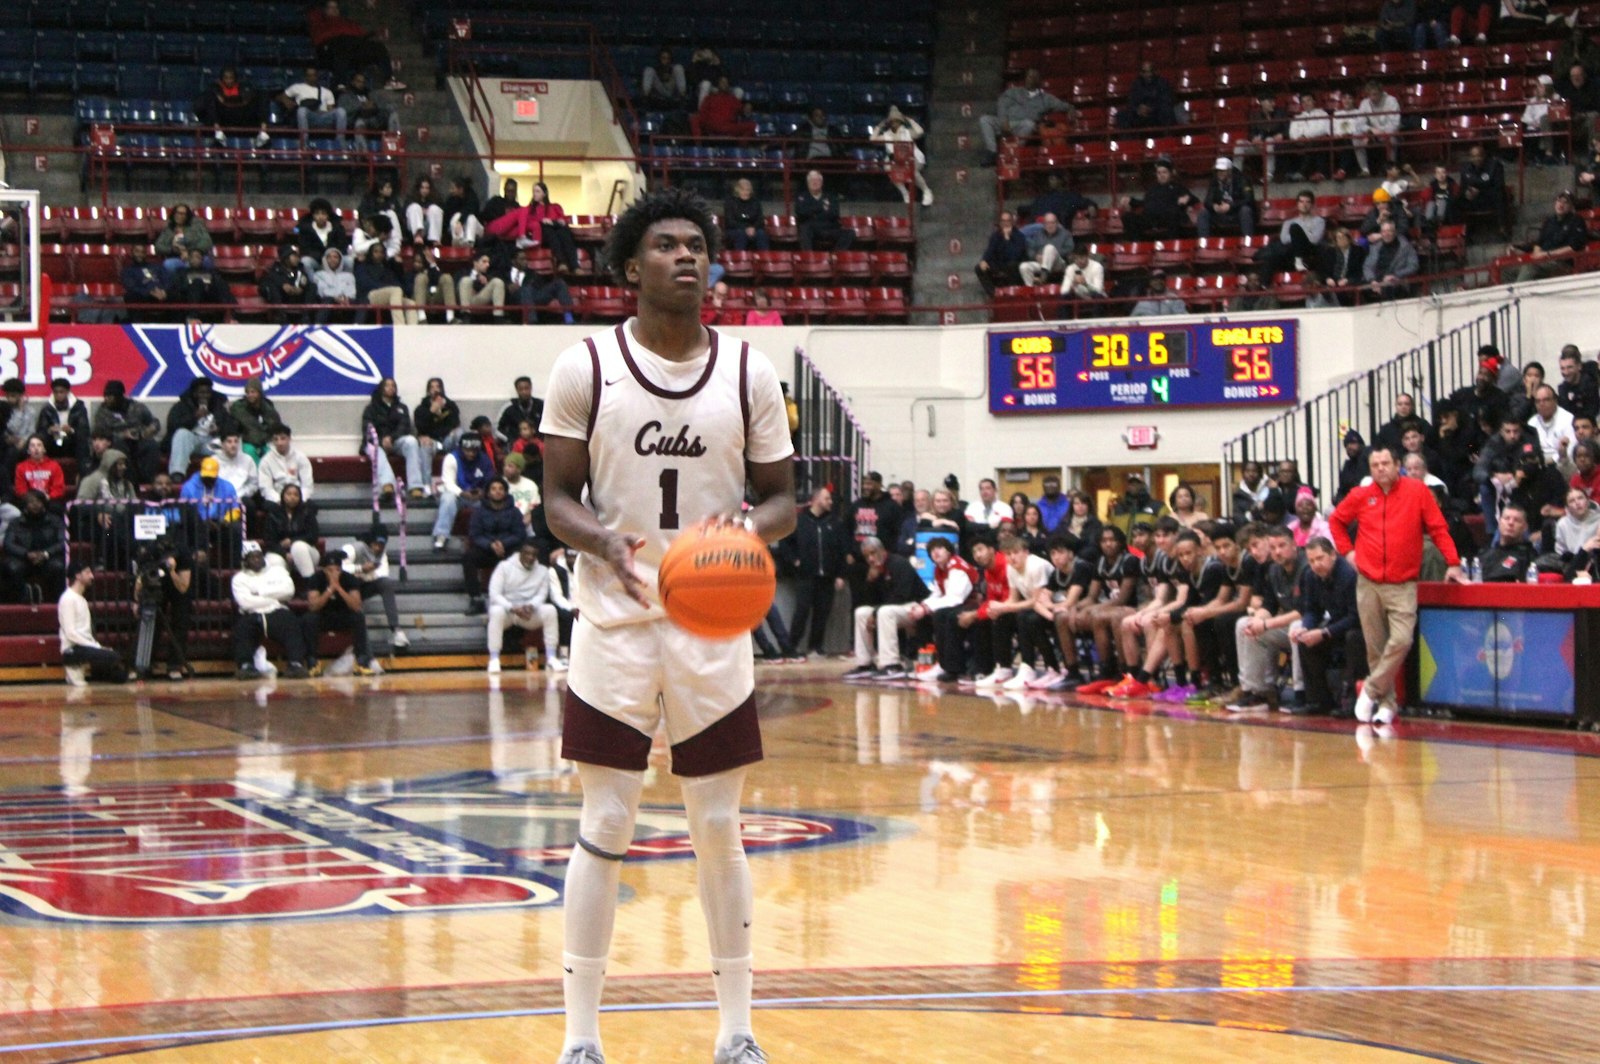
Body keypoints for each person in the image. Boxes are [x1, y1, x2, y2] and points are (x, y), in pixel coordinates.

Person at [537, 187, 796, 1064]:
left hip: (713, 625)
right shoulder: (586, 367)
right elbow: (556, 501)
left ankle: (737, 1030)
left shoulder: (750, 370)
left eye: (698, 244)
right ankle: (581, 1038)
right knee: (605, 820)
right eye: (667, 245)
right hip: (613, 623)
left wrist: (741, 535)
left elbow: (784, 501)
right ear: (628, 267)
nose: (687, 257)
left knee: (717, 826)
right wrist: (604, 541)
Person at [1329, 445, 1464, 726]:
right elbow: (1336, 521)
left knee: (1402, 640)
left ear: (1397, 464)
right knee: (1375, 648)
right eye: (1375, 464)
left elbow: (1438, 528)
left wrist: (1453, 561)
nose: (1380, 469)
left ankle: (1369, 690)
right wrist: (1348, 552)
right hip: (1368, 582)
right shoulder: (1361, 495)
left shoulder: (1417, 492)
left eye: (1385, 463)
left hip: (1403, 582)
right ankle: (1387, 705)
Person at [1225, 524, 1307, 713]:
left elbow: (1304, 611)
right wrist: (1256, 621)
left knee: (1297, 625)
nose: (1277, 552)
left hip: (1312, 624)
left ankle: (1300, 694)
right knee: (1243, 624)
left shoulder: (1305, 567)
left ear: (1294, 544)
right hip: (1285, 624)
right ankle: (1256, 693)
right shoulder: (1274, 570)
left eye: (1281, 546)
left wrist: (1265, 623)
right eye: (1273, 548)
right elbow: (1269, 606)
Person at [1287, 538, 1364, 716]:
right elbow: (1312, 609)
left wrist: (1324, 632)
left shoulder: (1348, 576)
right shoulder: (1309, 575)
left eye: (1320, 558)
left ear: (1333, 555)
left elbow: (1355, 616)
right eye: (1312, 560)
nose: (1316, 564)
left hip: (1357, 627)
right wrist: (1305, 628)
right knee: (1305, 641)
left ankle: (1351, 701)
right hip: (1335, 625)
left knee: (1353, 638)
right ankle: (1318, 700)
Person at [779, 486, 847, 660]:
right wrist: (795, 561)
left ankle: (815, 647)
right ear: (816, 500)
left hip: (828, 576)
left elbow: (841, 551)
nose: (830, 502)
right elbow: (784, 545)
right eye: (827, 498)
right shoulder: (799, 521)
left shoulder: (834, 523)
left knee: (822, 614)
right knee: (801, 612)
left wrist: (840, 574)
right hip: (806, 576)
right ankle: (791, 648)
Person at [231, 542, 309, 680]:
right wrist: (273, 599)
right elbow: (245, 602)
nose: (257, 560)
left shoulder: (277, 571)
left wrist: (260, 592)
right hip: (252, 614)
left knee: (291, 623)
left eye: (259, 556)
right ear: (245, 560)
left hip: (277, 611)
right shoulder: (239, 579)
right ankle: (245, 665)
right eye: (252, 557)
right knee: (242, 628)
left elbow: (288, 591)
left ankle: (295, 663)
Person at [486, 540, 560, 674]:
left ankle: (551, 657)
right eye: (527, 554)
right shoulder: (504, 567)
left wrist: (531, 606)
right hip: (508, 612)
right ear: (520, 553)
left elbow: (542, 594)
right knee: (495, 611)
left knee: (550, 610)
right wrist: (512, 607)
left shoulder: (543, 571)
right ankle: (494, 659)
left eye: (533, 555)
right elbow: (494, 594)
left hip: (527, 614)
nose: (530, 557)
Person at [304, 549, 377, 677]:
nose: (334, 573)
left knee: (358, 617)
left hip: (343, 615)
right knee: (309, 618)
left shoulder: (349, 579)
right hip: (324, 616)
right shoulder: (316, 579)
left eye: (337, 570)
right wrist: (329, 590)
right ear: (324, 570)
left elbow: (356, 606)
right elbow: (313, 606)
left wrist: (338, 588)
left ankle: (361, 662)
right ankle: (313, 662)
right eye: (330, 570)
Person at [978, 68, 1074, 166]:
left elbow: (1064, 106)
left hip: (1022, 126)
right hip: (1006, 123)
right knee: (985, 119)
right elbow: (1002, 104)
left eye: (1033, 77)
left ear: (1038, 80)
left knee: (1030, 124)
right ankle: (992, 152)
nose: (1029, 79)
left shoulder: (1046, 98)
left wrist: (1070, 109)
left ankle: (1013, 152)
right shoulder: (1013, 92)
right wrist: (1004, 120)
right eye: (1028, 76)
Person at [308, 0, 403, 90]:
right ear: (324, 9)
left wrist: (376, 33)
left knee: (378, 47)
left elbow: (362, 35)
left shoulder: (347, 22)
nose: (334, 9)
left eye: (336, 7)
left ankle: (389, 80)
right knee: (342, 46)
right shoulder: (320, 21)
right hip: (330, 48)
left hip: (353, 48)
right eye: (330, 7)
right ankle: (341, 83)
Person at [58, 563, 127, 685]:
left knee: (120, 673)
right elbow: (70, 633)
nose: (92, 576)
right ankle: (74, 667)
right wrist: (95, 647)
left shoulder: (81, 599)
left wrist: (96, 646)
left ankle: (90, 670)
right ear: (78, 576)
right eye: (88, 573)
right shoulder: (68, 599)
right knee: (112, 657)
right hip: (72, 649)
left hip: (85, 646)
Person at [361, 377, 427, 497]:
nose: (391, 388)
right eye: (387, 385)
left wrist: (391, 438)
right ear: (381, 388)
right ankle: (388, 484)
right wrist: (381, 440)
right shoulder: (371, 409)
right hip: (376, 442)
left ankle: (415, 485)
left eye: (393, 385)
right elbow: (368, 429)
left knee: (411, 441)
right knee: (375, 450)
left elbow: (404, 426)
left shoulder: (402, 407)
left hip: (395, 441)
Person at [433, 433, 494, 551]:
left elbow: (490, 480)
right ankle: (441, 536)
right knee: (447, 498)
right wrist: (462, 493)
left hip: (478, 497)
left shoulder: (484, 460)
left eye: (474, 451)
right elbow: (448, 483)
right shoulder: (451, 458)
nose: (471, 454)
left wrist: (483, 492)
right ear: (461, 448)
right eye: (467, 450)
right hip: (457, 495)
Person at [2, 490, 65, 602]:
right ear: (25, 505)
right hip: (23, 559)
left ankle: (57, 602)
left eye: (38, 501)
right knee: (12, 567)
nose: (35, 505)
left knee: (58, 567)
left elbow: (62, 542)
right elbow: (8, 544)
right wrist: (26, 554)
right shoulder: (16, 523)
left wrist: (46, 554)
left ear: (43, 503)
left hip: (48, 558)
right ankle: (20, 601)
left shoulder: (55, 521)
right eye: (31, 502)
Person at [1513, 190, 1589, 283]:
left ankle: (1517, 295)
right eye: (1559, 201)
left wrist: (1547, 255)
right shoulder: (1549, 221)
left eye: (1565, 202)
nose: (1561, 205)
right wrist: (1536, 255)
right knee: (1508, 269)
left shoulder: (1576, 221)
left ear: (1571, 207)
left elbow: (1574, 247)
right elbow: (1539, 243)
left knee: (1530, 268)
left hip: (1561, 262)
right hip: (1544, 260)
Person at [871, 106, 933, 207]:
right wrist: (880, 126)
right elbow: (873, 139)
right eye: (892, 121)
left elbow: (920, 131)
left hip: (914, 158)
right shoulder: (887, 135)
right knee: (888, 168)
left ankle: (926, 191)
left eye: (897, 121)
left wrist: (909, 119)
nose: (894, 123)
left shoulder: (907, 132)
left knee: (912, 170)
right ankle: (905, 193)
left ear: (900, 122)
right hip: (897, 161)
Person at [194, 66, 271, 147]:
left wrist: (226, 100)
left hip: (241, 116)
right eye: (226, 78)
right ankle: (218, 133)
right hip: (223, 118)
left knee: (263, 95)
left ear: (235, 79)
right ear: (222, 79)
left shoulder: (243, 87)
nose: (229, 80)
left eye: (231, 78)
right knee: (209, 98)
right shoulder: (214, 88)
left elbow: (246, 100)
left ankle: (263, 133)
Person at [1127, 160, 1197, 241]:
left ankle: (1172, 246)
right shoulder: (1152, 189)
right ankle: (1137, 248)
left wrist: (1187, 198)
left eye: (1164, 172)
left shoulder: (1178, 187)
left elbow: (1193, 199)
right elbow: (1145, 203)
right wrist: (1131, 201)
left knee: (1173, 215)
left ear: (1170, 174)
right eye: (1159, 173)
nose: (1161, 175)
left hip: (1168, 218)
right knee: (1128, 217)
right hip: (1151, 218)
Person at [263, 481, 319, 579]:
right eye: (289, 494)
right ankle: (282, 588)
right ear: (283, 496)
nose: (292, 497)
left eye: (296, 495)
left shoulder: (307, 512)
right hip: (280, 552)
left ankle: (310, 584)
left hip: (307, 554)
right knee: (274, 561)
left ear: (300, 497)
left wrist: (292, 541)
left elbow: (313, 536)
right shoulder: (273, 514)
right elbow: (269, 541)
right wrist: (284, 554)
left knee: (298, 547)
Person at [281, 67, 348, 146]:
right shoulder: (297, 87)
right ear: (305, 77)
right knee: (301, 110)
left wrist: (326, 111)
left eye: (314, 75)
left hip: (323, 117)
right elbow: (282, 96)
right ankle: (304, 143)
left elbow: (330, 108)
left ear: (317, 76)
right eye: (309, 75)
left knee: (341, 111)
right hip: (308, 117)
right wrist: (288, 102)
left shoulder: (327, 91)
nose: (312, 77)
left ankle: (340, 143)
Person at [355, 243, 417, 325]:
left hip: (390, 295)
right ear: (370, 253)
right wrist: (385, 287)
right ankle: (399, 326)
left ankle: (412, 330)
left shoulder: (387, 269)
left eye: (381, 252)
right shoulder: (363, 266)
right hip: (369, 296)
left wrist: (399, 267)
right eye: (376, 252)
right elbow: (365, 283)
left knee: (410, 303)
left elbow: (398, 284)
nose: (379, 255)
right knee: (396, 290)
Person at [1234, 90, 1288, 181]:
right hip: (1259, 144)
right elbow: (1251, 133)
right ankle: (1235, 175)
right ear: (1262, 102)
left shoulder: (1281, 113)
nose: (1273, 104)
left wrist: (1282, 135)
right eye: (1270, 102)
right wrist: (1254, 139)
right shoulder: (1255, 115)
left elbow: (1287, 129)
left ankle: (1268, 175)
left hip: (1275, 144)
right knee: (1239, 143)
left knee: (1269, 141)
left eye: (1273, 101)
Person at [1477, 503, 1539, 581]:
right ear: (1499, 522)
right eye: (1506, 518)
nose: (1510, 523)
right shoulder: (1485, 553)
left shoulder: (1529, 557)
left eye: (1517, 520)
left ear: (1525, 527)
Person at [1196, 157, 1256, 238]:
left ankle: (1248, 240)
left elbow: (1249, 199)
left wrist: (1231, 206)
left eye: (1222, 171)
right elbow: (1207, 201)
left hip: (1236, 213)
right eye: (1218, 171)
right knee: (1203, 213)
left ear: (1229, 171)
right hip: (1221, 213)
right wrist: (1214, 206)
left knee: (1245, 210)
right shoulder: (1214, 181)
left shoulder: (1242, 180)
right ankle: (1203, 242)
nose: (1219, 173)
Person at [154, 203, 215, 282]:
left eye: (183, 214)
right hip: (177, 258)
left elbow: (207, 242)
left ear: (187, 216)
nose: (180, 216)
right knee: (168, 264)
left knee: (206, 261)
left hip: (195, 256)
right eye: (177, 213)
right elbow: (158, 247)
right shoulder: (168, 229)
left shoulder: (196, 227)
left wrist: (191, 252)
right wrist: (172, 250)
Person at [794, 171, 853, 252]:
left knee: (849, 233)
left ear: (821, 182)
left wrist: (813, 212)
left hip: (829, 228)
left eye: (817, 180)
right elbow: (801, 212)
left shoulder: (831, 197)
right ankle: (809, 257)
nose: (814, 182)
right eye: (812, 180)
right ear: (808, 183)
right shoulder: (801, 197)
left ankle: (835, 256)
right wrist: (821, 207)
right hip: (812, 229)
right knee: (804, 229)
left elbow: (835, 214)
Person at [974, 210, 1028, 297]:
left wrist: (1007, 239)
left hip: (1014, 266)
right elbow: (989, 251)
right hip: (999, 265)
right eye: (1003, 221)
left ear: (1012, 222)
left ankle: (1012, 293)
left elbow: (1013, 256)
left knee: (1012, 265)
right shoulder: (995, 236)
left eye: (1008, 221)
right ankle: (994, 294)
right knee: (979, 268)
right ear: (1000, 223)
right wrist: (984, 260)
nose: (1005, 223)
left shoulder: (1019, 236)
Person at [1363, 219, 1419, 301]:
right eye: (1384, 231)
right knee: (1360, 287)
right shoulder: (1375, 247)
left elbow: (1413, 266)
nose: (1386, 234)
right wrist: (1372, 280)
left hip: (1397, 281)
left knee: (1388, 289)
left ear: (1395, 232)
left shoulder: (1406, 247)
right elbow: (1367, 266)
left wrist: (1395, 275)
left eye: (1389, 231)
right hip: (1376, 280)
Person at [257, 424, 313, 506]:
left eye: (283, 438)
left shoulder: (301, 458)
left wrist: (299, 499)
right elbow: (266, 488)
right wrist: (280, 500)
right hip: (277, 500)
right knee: (269, 506)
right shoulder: (266, 461)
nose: (279, 443)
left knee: (311, 507)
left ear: (289, 439)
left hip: (298, 498)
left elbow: (307, 485)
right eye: (276, 439)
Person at [1355, 80, 1402, 176]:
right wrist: (1370, 130)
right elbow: (1359, 124)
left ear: (1381, 92)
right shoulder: (1365, 103)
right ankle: (1365, 170)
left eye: (1375, 94)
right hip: (1372, 133)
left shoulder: (1391, 101)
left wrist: (1382, 132)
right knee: (1356, 139)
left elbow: (1395, 124)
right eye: (1370, 95)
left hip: (1388, 133)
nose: (1372, 97)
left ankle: (1391, 169)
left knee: (1392, 140)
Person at [1460, 143, 1509, 234]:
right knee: (1456, 200)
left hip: (1490, 197)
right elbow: (1463, 186)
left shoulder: (1495, 166)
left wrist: (1480, 191)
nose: (1476, 159)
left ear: (1484, 156)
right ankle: (1462, 230)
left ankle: (1502, 227)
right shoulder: (1466, 168)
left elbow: (1498, 186)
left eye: (1479, 156)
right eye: (1473, 156)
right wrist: (1466, 192)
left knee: (1500, 196)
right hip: (1474, 199)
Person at [227, 376, 280, 460]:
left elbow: (274, 424)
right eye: (248, 392)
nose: (250, 395)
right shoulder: (239, 407)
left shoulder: (267, 405)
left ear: (259, 393)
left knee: (272, 452)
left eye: (253, 392)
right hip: (246, 441)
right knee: (250, 451)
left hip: (265, 441)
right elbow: (250, 426)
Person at [1284, 91, 1333, 181]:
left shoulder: (1322, 114)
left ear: (1314, 101)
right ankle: (1288, 173)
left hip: (1317, 141)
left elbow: (1322, 129)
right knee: (1284, 146)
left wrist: (1305, 136)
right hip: (1300, 142)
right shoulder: (1298, 117)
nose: (1306, 103)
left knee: (1313, 144)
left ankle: (1303, 172)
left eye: (1308, 100)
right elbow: (1292, 133)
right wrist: (1300, 138)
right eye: (1303, 101)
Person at [1115, 61, 1177, 132]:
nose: (1148, 74)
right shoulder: (1136, 84)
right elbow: (1131, 101)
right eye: (1144, 72)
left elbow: (1167, 100)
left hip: (1156, 113)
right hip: (1140, 114)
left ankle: (1166, 140)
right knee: (1121, 115)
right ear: (1141, 73)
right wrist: (1138, 109)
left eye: (1150, 71)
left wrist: (1151, 108)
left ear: (1154, 72)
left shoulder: (1162, 83)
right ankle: (1128, 142)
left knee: (1167, 112)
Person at [338, 72, 399, 140]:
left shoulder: (370, 94)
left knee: (393, 113)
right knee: (360, 123)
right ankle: (362, 150)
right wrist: (362, 106)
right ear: (352, 82)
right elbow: (344, 112)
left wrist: (375, 105)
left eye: (363, 82)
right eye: (358, 81)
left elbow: (381, 105)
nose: (361, 84)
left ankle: (393, 143)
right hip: (355, 121)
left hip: (373, 119)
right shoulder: (345, 96)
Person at [1016, 213, 1071, 287]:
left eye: (1052, 222)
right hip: (1042, 263)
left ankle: (1043, 279)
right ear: (1044, 224)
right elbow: (1030, 250)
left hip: (1059, 264)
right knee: (1023, 266)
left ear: (1057, 223)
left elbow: (1069, 249)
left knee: (1049, 248)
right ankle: (1032, 291)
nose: (1050, 225)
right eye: (1047, 223)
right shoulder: (1038, 234)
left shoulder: (1065, 234)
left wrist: (1050, 255)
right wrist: (1036, 256)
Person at [120, 245, 171, 321]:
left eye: (142, 252)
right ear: (132, 253)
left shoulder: (157, 266)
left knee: (178, 293)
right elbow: (131, 287)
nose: (140, 254)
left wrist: (164, 291)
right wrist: (149, 292)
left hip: (162, 294)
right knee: (130, 296)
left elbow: (167, 280)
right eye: (137, 251)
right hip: (143, 297)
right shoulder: (128, 271)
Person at [722, 178, 768, 253]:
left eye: (748, 190)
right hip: (736, 229)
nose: (746, 192)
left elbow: (760, 220)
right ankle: (740, 258)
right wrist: (745, 228)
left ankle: (764, 259)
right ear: (737, 190)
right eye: (743, 190)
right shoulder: (730, 202)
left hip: (753, 229)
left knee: (761, 234)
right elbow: (730, 221)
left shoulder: (755, 202)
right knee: (741, 234)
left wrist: (754, 228)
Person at [459, 252, 507, 321]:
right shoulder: (463, 272)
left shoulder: (489, 276)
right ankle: (465, 316)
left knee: (497, 281)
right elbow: (456, 287)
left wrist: (486, 283)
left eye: (488, 262)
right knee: (466, 280)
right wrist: (476, 280)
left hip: (479, 300)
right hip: (465, 300)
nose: (488, 265)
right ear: (475, 263)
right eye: (484, 262)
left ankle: (498, 317)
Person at [313, 247, 357, 323]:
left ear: (340, 260)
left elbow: (352, 292)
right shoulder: (318, 275)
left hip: (345, 303)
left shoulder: (349, 275)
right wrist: (335, 298)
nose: (332, 260)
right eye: (329, 257)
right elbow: (322, 291)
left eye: (335, 257)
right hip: (326, 303)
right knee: (328, 300)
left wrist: (344, 298)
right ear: (325, 260)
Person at [1556, 486, 1600, 558]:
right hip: (1573, 563)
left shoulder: (1598, 520)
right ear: (1567, 508)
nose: (1577, 503)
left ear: (1588, 501)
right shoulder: (1562, 524)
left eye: (1580, 498)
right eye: (1572, 501)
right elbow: (1561, 551)